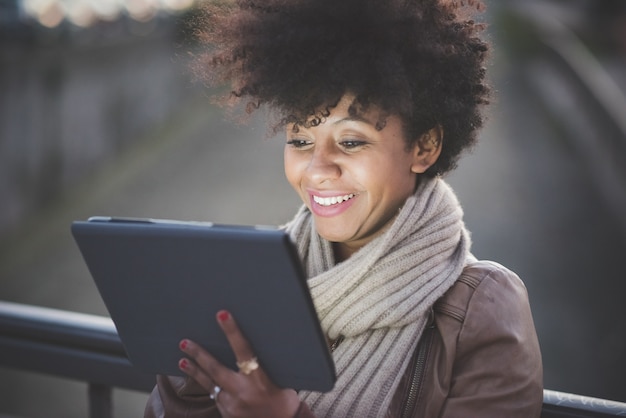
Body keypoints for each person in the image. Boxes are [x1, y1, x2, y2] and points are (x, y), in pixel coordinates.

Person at [144, 0, 543, 416]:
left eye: (351, 142)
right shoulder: (255, 282)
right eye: (300, 141)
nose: (317, 171)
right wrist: (194, 381)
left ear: (424, 147)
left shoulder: (483, 311)